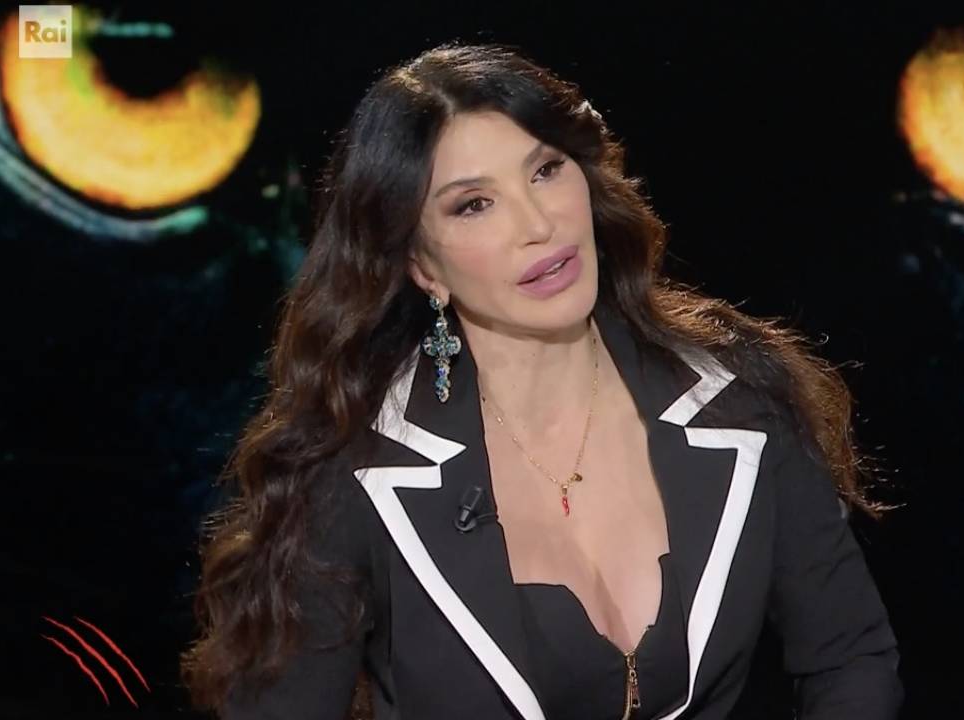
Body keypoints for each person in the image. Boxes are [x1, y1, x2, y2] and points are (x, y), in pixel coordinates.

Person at [181, 41, 903, 719]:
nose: (538, 224)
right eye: (474, 204)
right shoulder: (352, 472)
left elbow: (851, 658)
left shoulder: (739, 394)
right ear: (422, 267)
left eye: (545, 170)